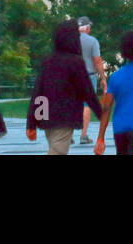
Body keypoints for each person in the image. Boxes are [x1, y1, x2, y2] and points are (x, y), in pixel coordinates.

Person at [26, 20, 103, 155]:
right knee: (57, 152)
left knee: (55, 149)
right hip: (64, 117)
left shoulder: (48, 60)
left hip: (46, 116)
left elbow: (38, 92)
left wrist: (32, 122)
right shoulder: (75, 62)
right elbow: (88, 92)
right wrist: (103, 116)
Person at [77, 17, 105, 144]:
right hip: (88, 76)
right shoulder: (92, 41)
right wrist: (103, 78)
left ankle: (69, 135)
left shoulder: (69, 41)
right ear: (87, 28)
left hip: (71, 77)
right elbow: (97, 60)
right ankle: (83, 134)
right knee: (86, 105)